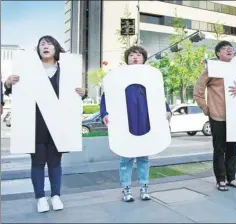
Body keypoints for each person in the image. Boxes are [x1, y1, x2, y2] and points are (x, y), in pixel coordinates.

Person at [4, 35, 87, 213]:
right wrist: (8, 83)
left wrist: (82, 92)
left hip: (59, 124)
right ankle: (40, 198)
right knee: (38, 162)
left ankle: (56, 196)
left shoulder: (67, 70)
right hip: (36, 124)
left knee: (55, 163)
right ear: (38, 50)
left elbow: (74, 95)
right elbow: (18, 92)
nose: (45, 46)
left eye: (49, 43)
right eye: (42, 44)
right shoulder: (28, 71)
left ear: (56, 48)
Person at [100, 45, 172, 202]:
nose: (135, 57)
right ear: (127, 59)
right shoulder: (118, 77)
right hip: (126, 123)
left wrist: (167, 110)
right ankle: (126, 188)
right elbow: (107, 97)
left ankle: (144, 187)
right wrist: (104, 114)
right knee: (125, 158)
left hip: (145, 122)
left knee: (143, 157)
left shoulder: (150, 78)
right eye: (132, 55)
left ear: (143, 59)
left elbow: (158, 97)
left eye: (138, 55)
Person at [193, 41, 236, 191]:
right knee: (219, 149)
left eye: (231, 48)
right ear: (218, 53)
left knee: (233, 149)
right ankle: (220, 180)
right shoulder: (212, 69)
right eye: (224, 49)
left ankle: (232, 178)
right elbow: (198, 90)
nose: (229, 50)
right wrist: (204, 107)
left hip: (235, 114)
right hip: (218, 114)